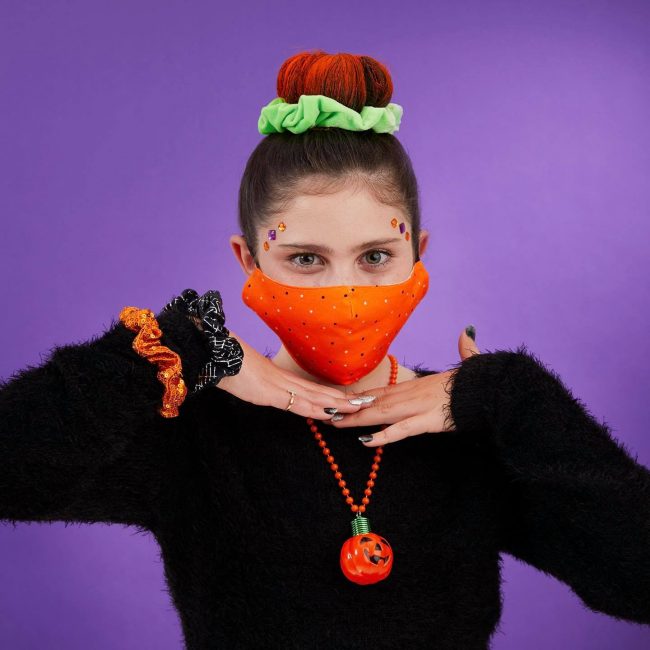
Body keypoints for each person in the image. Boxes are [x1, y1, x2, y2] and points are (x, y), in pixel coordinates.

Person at [1, 49, 649, 650]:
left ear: (417, 254)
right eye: (306, 258)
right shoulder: (191, 428)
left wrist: (516, 401)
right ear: (249, 261)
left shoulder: (475, 433)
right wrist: (188, 346)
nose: (346, 290)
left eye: (376, 256)